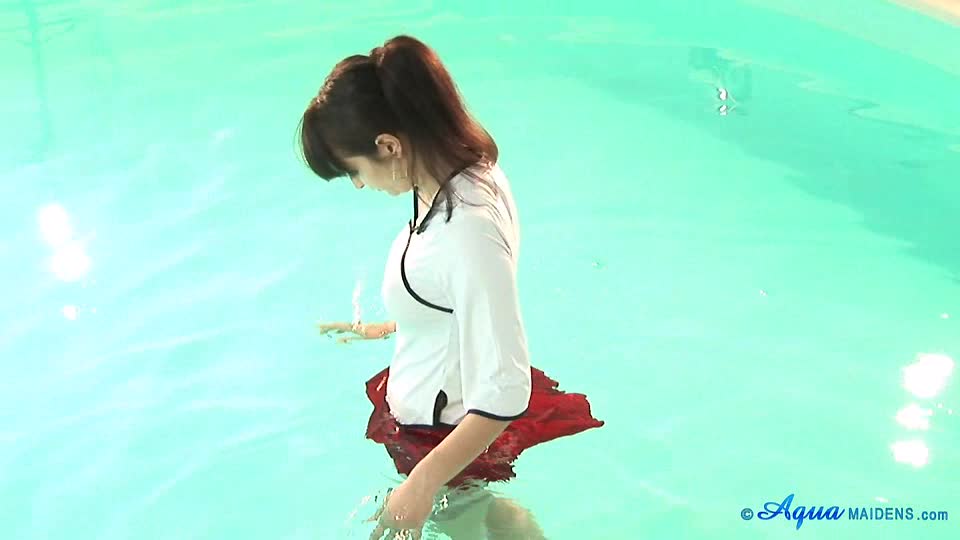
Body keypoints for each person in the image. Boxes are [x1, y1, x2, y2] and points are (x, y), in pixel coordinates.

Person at [300, 35, 604, 539]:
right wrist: (392, 326)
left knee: (464, 516)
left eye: (354, 170)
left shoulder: (468, 231)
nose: (358, 184)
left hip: (445, 432)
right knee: (484, 510)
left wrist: (420, 485)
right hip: (441, 414)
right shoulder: (467, 173)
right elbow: (454, 297)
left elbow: (505, 388)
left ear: (389, 146)